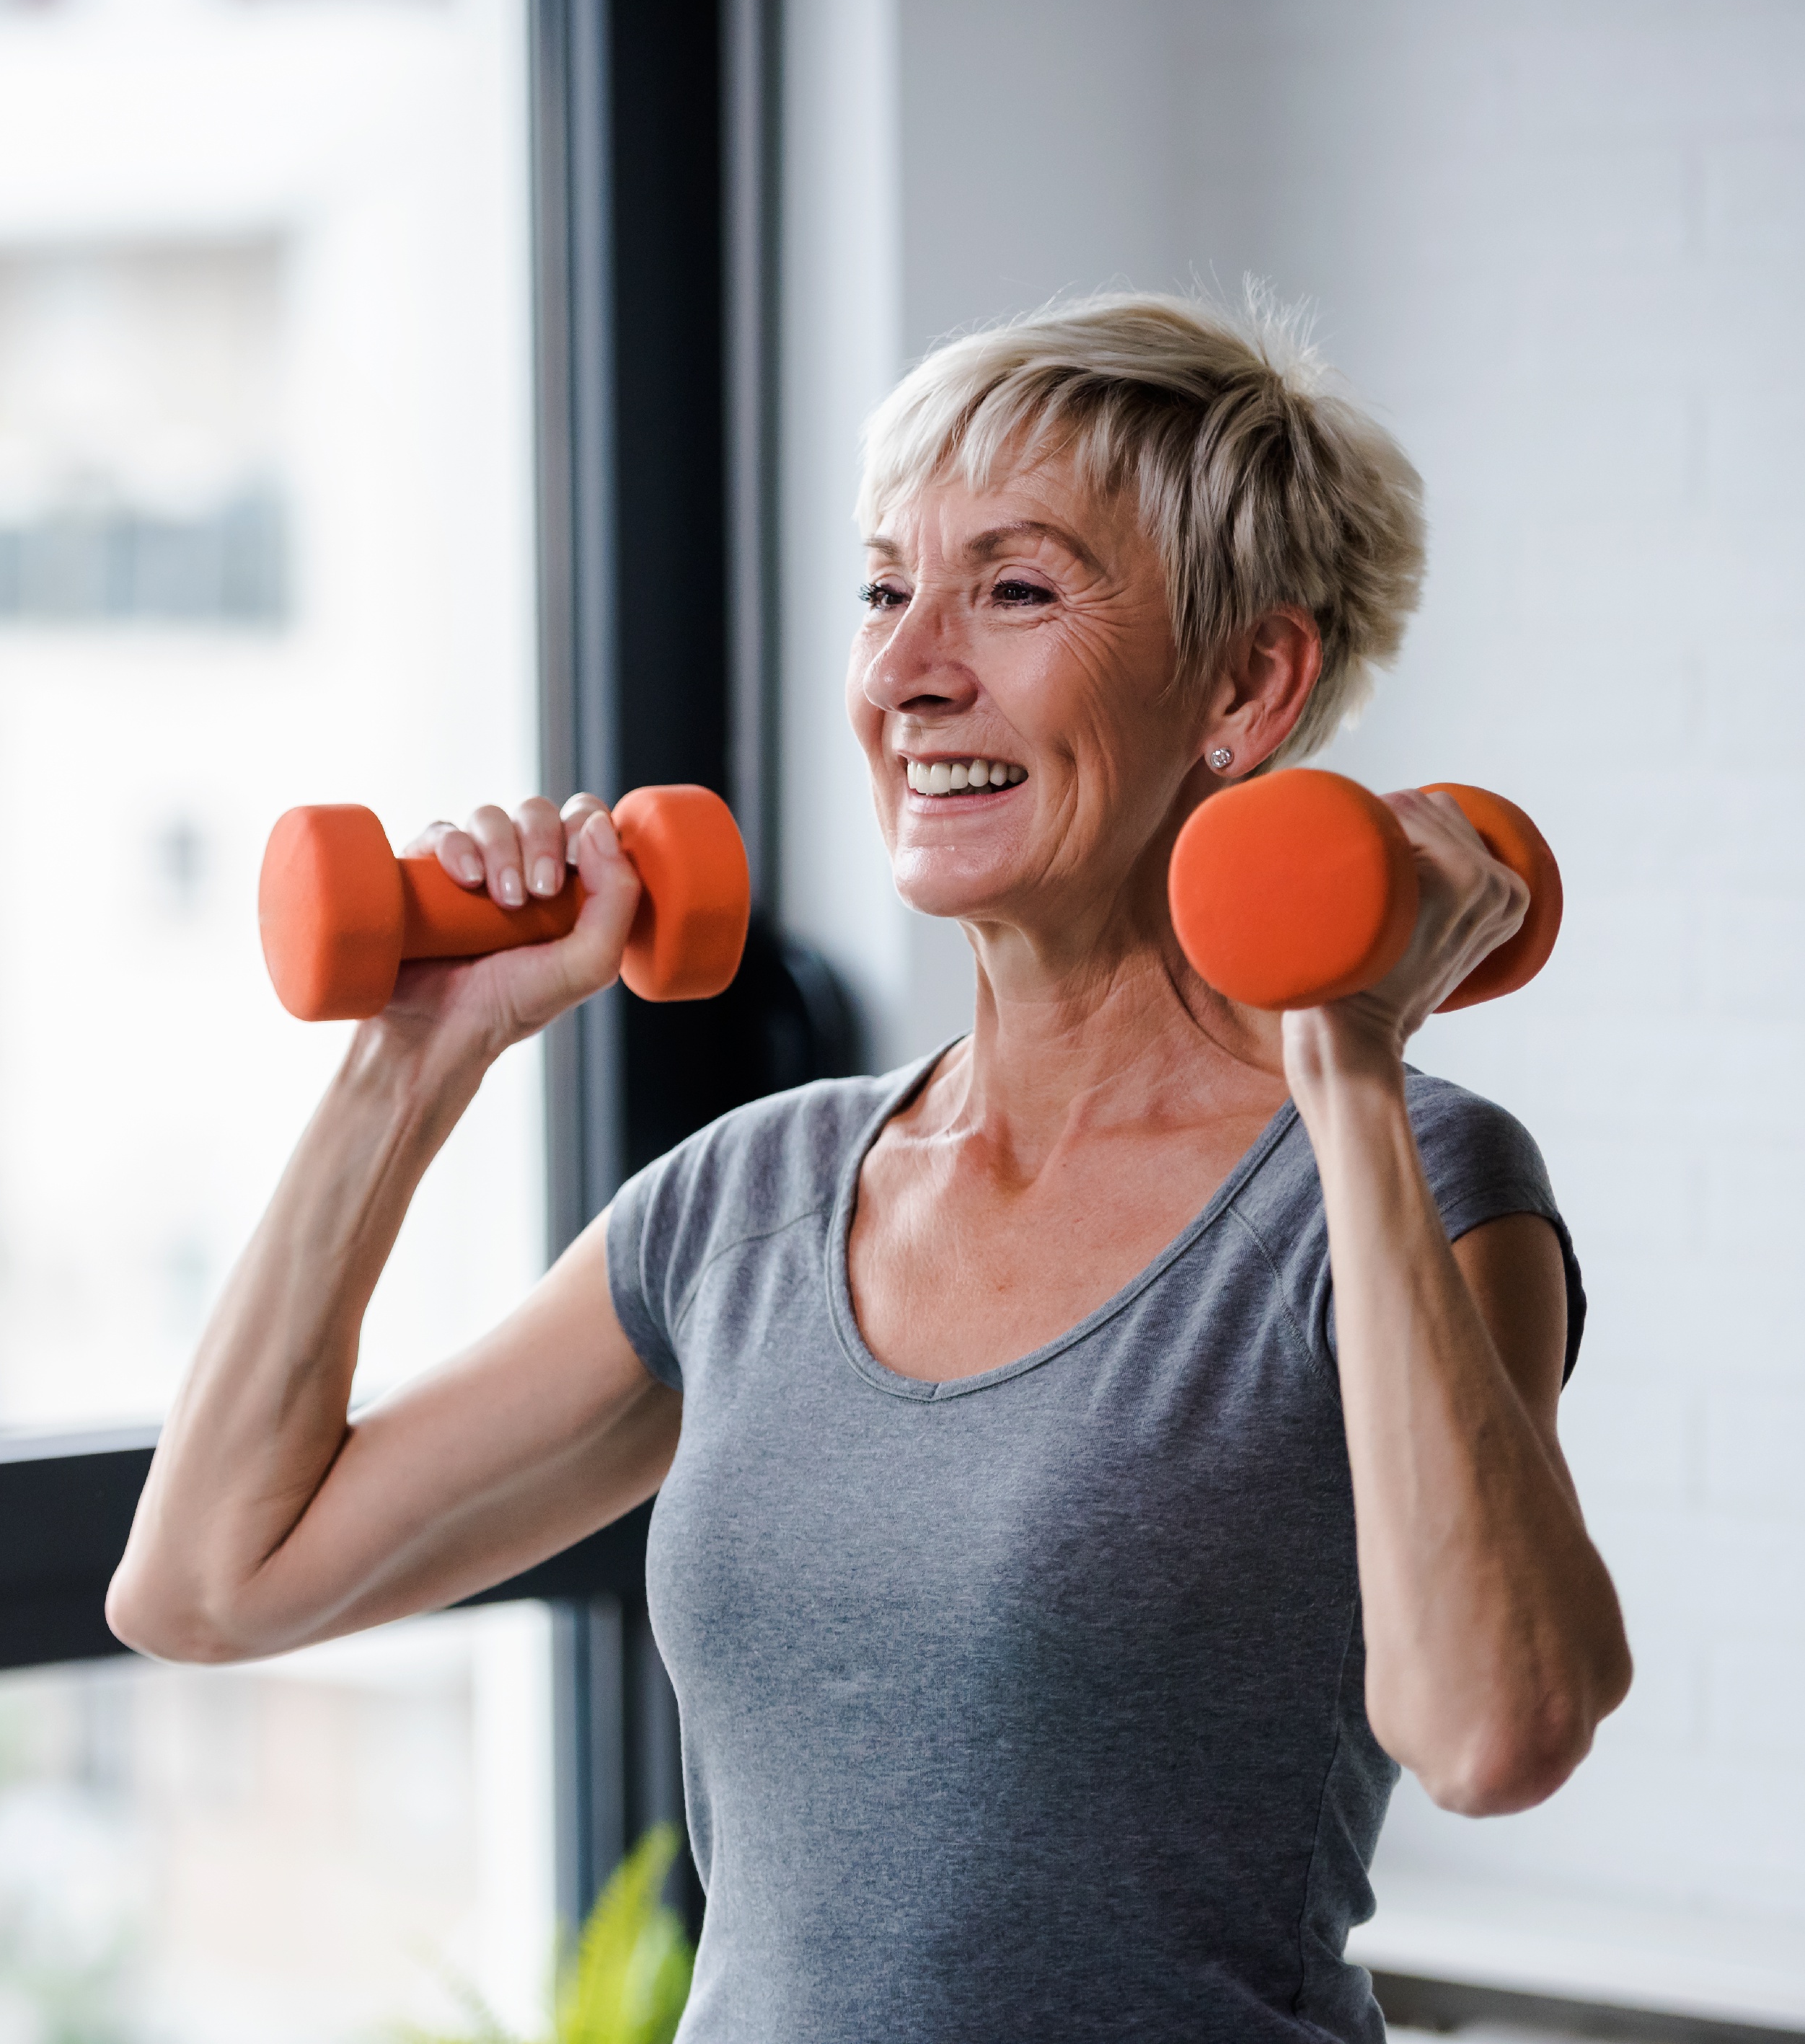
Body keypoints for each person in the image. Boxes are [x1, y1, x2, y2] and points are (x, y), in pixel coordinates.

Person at [105, 293, 1630, 2040]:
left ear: (1245, 684)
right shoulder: (746, 1204)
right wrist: (414, 1056)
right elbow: (208, 1585)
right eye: (885, 587)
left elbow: (1498, 1729)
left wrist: (1344, 1057)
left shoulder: (1408, 1186)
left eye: (1017, 588)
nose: (909, 671)